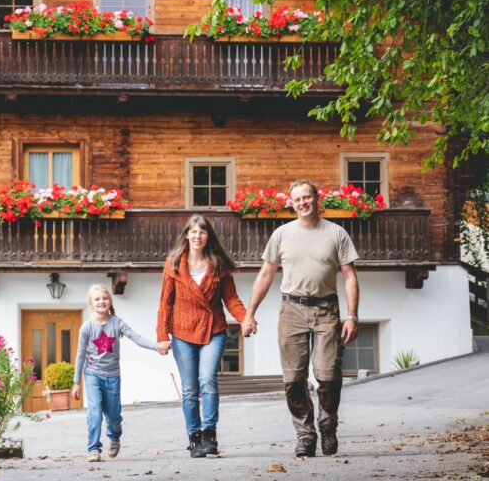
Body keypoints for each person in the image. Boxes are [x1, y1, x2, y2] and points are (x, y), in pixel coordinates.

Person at [241, 179, 360, 458]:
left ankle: (328, 426)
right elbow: (266, 275)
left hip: (326, 310)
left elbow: (350, 277)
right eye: (297, 199)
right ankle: (305, 435)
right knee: (293, 380)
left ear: (317, 199)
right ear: (291, 203)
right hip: (291, 310)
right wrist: (249, 314)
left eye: (307, 197)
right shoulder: (281, 234)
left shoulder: (336, 233)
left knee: (327, 376)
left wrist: (352, 316)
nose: (303, 203)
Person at [156, 214, 247, 458]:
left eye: (202, 232)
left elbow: (231, 299)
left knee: (207, 380)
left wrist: (245, 318)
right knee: (188, 389)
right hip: (182, 332)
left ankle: (210, 434)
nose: (197, 236)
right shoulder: (174, 263)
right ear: (187, 235)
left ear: (208, 236)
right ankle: (194, 437)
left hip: (213, 329)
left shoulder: (218, 265)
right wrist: (162, 335)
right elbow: (165, 303)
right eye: (193, 232)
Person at [72, 284, 169, 462]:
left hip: (112, 376)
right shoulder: (86, 328)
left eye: (105, 298)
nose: (101, 301)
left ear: (110, 302)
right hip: (92, 375)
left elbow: (136, 337)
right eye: (97, 299)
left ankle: (114, 437)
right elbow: (80, 355)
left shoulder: (117, 323)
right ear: (91, 304)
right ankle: (93, 448)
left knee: (114, 416)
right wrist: (77, 382)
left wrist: (157, 347)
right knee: (94, 412)